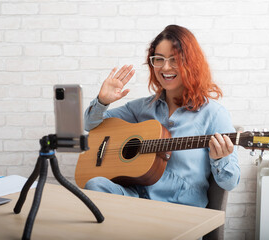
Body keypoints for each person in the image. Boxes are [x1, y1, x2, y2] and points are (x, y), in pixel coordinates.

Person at [83, 24, 240, 208]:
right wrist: (102, 101)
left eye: (175, 60)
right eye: (159, 59)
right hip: (135, 199)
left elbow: (230, 182)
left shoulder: (214, 114)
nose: (165, 67)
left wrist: (220, 159)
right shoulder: (141, 107)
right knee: (94, 185)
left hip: (179, 209)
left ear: (191, 63)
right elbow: (90, 125)